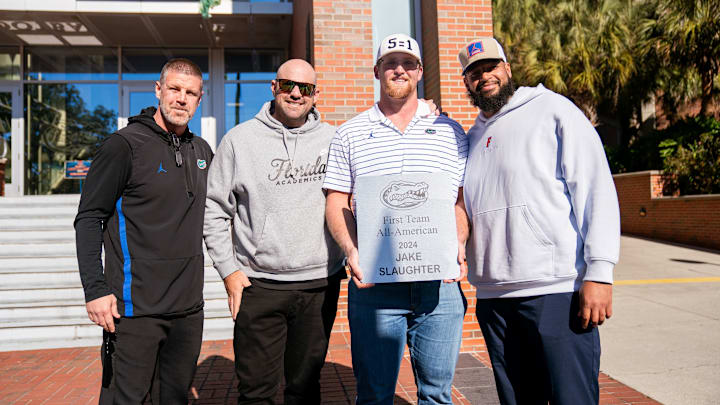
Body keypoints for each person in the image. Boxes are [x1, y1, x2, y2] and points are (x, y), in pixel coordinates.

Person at [458, 37, 621, 404]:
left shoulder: (552, 110)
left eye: (491, 67)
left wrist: (599, 271)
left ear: (508, 69)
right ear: (466, 82)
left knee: (571, 398)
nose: (485, 77)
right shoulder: (471, 137)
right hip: (494, 298)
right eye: (475, 73)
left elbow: (594, 187)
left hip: (556, 290)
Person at [324, 33, 469, 405]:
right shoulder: (350, 133)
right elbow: (336, 199)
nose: (398, 69)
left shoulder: (450, 132)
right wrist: (351, 251)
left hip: (438, 286)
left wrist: (460, 244)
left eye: (407, 63)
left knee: (437, 395)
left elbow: (459, 200)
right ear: (377, 71)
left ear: (420, 71)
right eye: (390, 63)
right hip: (376, 288)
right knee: (374, 395)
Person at [203, 59, 345, 405]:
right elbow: (214, 210)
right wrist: (229, 272)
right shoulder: (238, 141)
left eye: (306, 89)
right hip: (259, 284)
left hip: (318, 285)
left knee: (305, 389)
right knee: (256, 393)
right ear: (273, 87)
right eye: (287, 85)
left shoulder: (335, 139)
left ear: (315, 95)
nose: (296, 93)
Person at [74, 58, 212, 404]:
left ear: (200, 99)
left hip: (187, 311)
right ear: (159, 90)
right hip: (135, 311)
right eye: (175, 89)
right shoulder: (123, 146)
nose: (182, 98)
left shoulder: (202, 151)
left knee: (174, 399)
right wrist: (95, 289)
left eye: (191, 93)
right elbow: (89, 218)